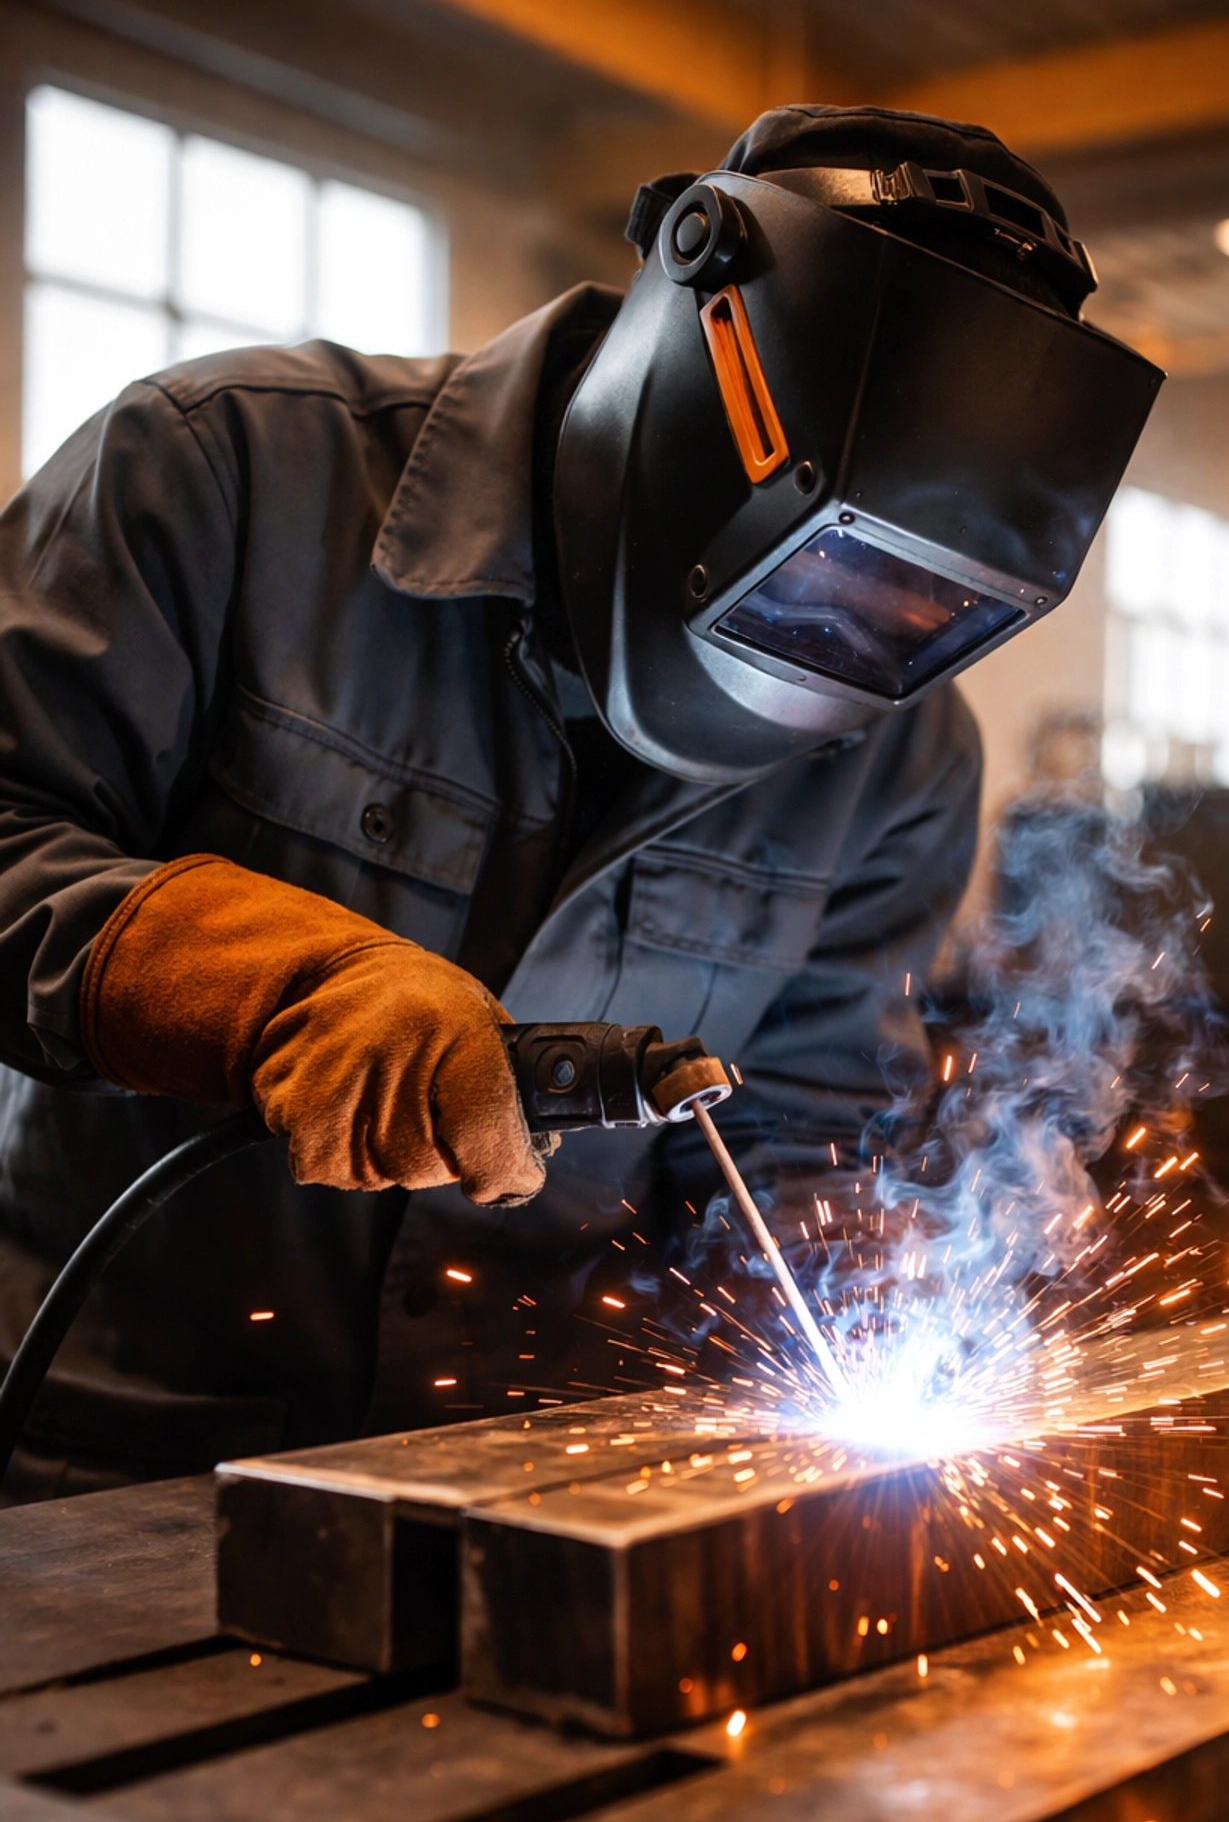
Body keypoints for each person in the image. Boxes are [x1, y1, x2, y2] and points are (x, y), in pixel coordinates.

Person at [0, 103, 1157, 1500]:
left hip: (528, 1487)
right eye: (826, 574)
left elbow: (798, 1122)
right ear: (701, 328)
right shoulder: (223, 470)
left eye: (923, 613)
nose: (846, 649)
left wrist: (888, 1277)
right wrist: (270, 987)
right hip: (108, 1450)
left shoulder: (903, 756)